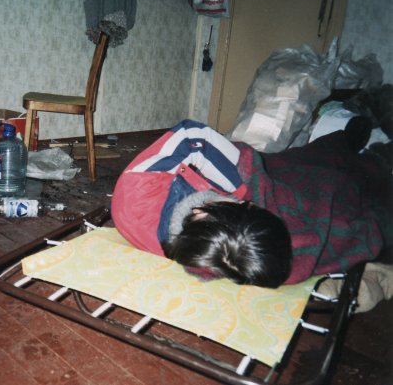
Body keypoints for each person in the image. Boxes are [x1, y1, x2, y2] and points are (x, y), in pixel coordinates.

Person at [111, 118, 392, 289]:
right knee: (325, 185)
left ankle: (340, 144)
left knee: (291, 164)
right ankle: (372, 160)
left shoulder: (139, 186)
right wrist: (245, 195)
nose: (248, 202)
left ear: (200, 213)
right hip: (208, 193)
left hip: (198, 185)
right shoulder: (214, 252)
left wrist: (244, 185)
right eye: (246, 204)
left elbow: (192, 135)